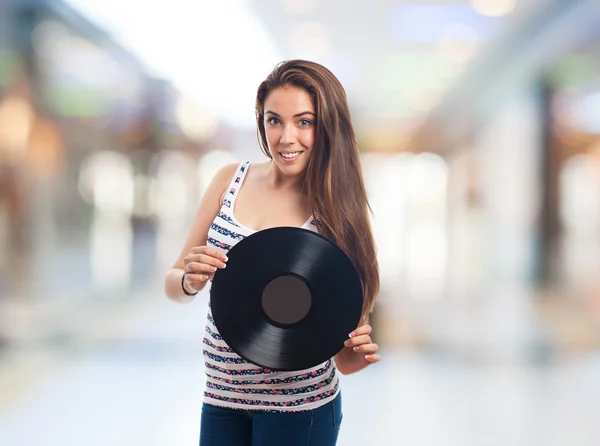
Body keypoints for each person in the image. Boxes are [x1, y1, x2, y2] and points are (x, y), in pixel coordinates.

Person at [164, 59, 381, 446]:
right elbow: (174, 284)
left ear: (327, 126)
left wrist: (357, 355)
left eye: (304, 122)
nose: (286, 138)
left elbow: (343, 360)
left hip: (301, 411)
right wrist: (188, 280)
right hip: (220, 399)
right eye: (274, 120)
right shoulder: (229, 179)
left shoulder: (339, 210)